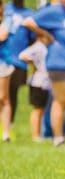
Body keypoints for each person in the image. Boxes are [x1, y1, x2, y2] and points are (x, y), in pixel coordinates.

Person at [23, 0, 65, 146]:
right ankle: (58, 138)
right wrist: (45, 34)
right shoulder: (53, 11)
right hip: (60, 63)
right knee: (61, 100)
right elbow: (28, 22)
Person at [5, 0, 33, 124]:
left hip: (19, 61)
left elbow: (33, 38)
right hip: (3, 58)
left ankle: (8, 125)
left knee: (12, 93)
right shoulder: (5, 9)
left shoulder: (29, 14)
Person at [19, 35, 50, 142]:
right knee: (37, 109)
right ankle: (35, 135)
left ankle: (39, 134)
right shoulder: (38, 46)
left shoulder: (45, 46)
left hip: (44, 82)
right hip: (38, 82)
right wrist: (34, 64)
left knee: (41, 109)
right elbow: (22, 55)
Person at [0, 0, 14, 142]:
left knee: (3, 97)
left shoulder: (7, 19)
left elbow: (2, 36)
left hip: (3, 62)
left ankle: (6, 133)